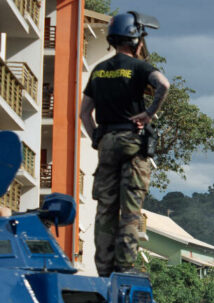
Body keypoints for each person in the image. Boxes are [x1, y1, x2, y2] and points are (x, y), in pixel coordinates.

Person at [79, 11, 169, 277]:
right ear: (137, 40)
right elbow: (163, 85)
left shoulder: (99, 70)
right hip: (132, 141)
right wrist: (149, 113)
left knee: (105, 208)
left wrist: (96, 137)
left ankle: (104, 271)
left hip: (106, 143)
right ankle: (126, 269)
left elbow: (84, 113)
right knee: (130, 208)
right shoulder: (140, 67)